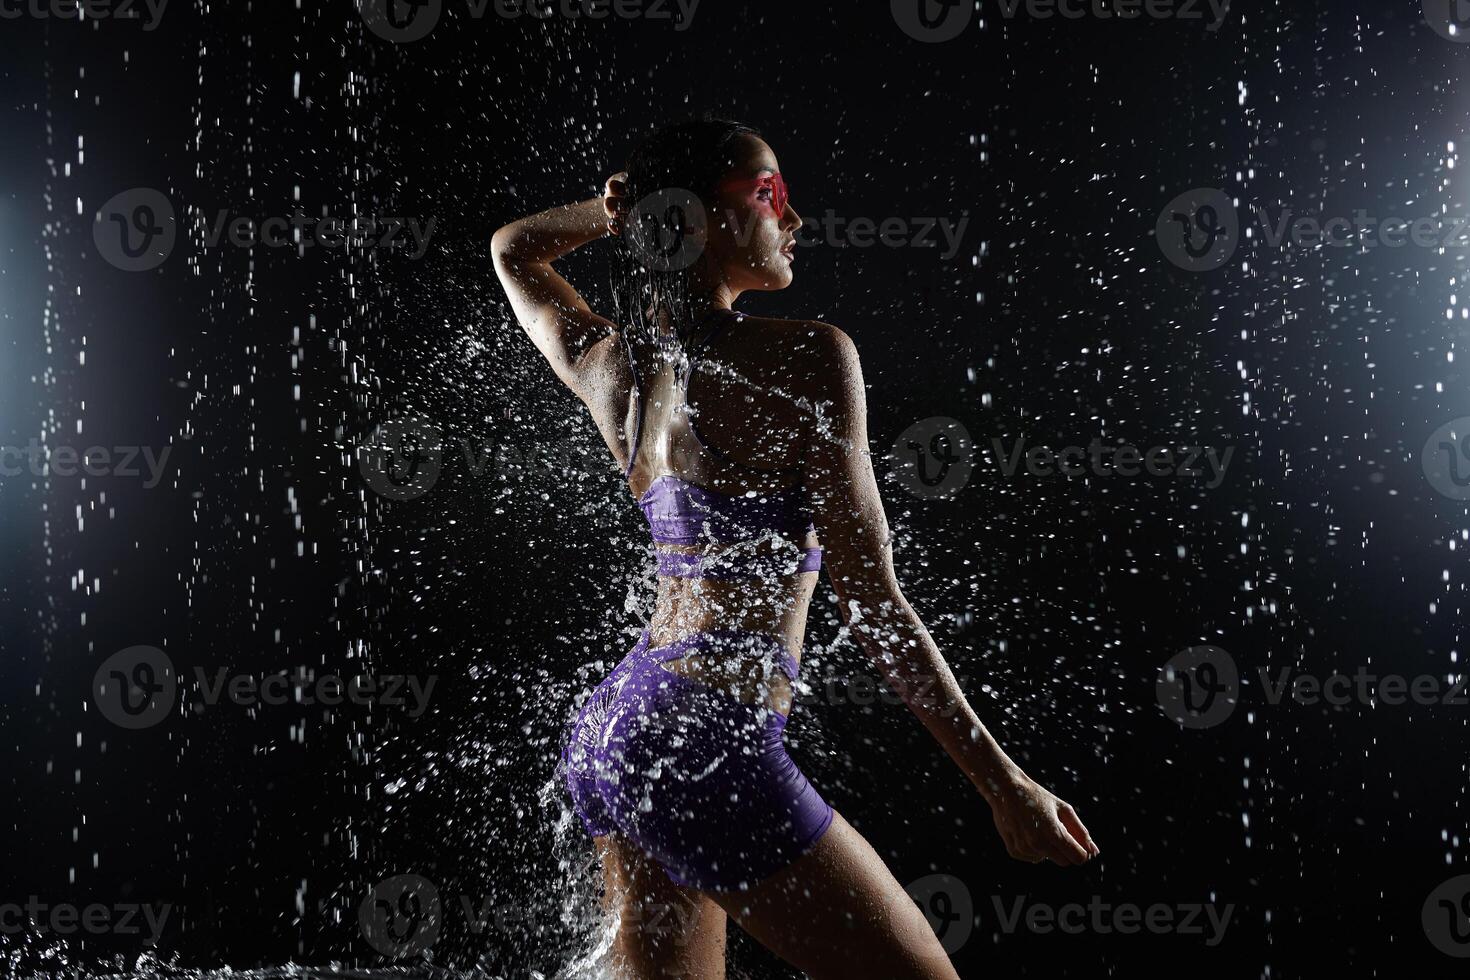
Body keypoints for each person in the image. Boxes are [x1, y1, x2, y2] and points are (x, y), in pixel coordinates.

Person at [491, 116, 1099, 980]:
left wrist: (610, 208)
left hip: (616, 734)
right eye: (770, 194)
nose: (796, 218)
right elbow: (873, 601)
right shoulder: (812, 358)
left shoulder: (612, 366)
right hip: (708, 741)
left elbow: (514, 252)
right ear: (702, 221)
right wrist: (1004, 784)